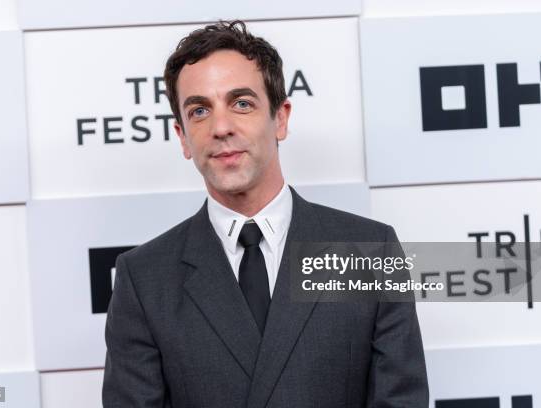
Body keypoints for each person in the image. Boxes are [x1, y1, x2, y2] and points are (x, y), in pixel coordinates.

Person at [102, 20, 428, 408]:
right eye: (200, 110)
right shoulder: (144, 280)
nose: (221, 127)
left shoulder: (372, 253)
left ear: (281, 117)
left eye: (242, 103)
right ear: (183, 137)